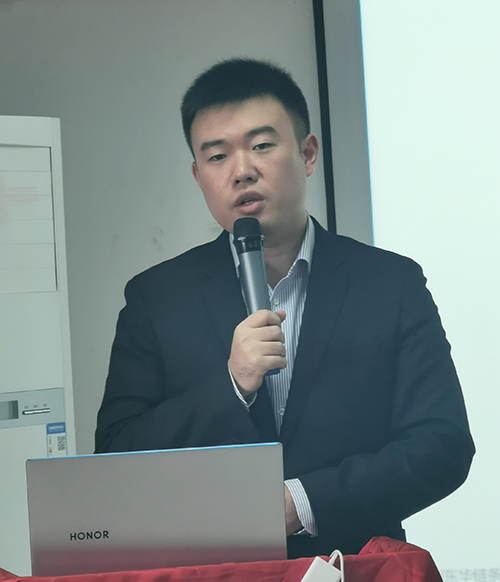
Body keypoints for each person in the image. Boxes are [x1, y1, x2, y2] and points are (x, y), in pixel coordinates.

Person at [95, 58, 474, 558]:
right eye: (217, 156)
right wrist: (232, 385)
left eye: (261, 146)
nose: (241, 171)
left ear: (307, 153)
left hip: (352, 565)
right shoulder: (157, 297)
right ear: (198, 175)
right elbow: (115, 458)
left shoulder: (389, 283)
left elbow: (442, 445)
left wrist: (304, 502)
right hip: (210, 570)